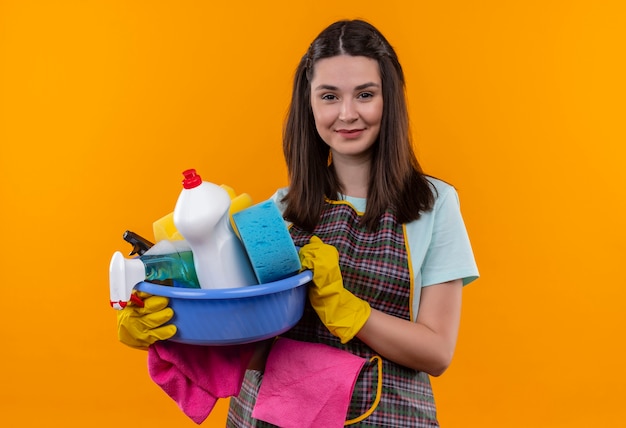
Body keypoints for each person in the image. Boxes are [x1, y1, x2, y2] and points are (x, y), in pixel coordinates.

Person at [117, 19, 478, 427]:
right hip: (272, 416)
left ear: (389, 99)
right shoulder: (279, 212)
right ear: (309, 103)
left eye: (365, 94)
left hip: (388, 414)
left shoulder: (434, 204)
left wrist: (350, 311)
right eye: (329, 96)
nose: (347, 113)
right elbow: (255, 346)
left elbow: (437, 352)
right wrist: (173, 330)